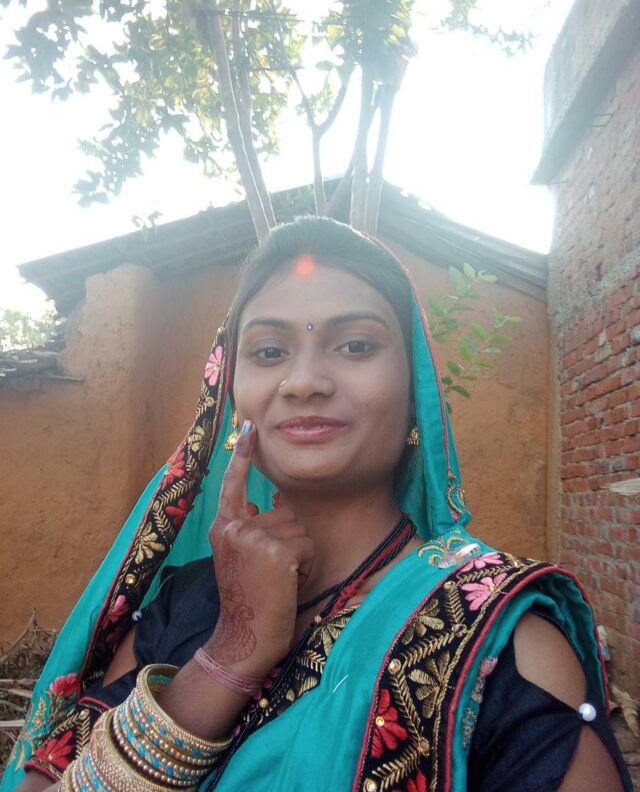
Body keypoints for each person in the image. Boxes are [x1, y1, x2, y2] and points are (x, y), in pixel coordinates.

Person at [3, 217, 631, 792]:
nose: (303, 381)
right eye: (269, 352)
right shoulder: (184, 605)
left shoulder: (497, 645)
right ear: (231, 395)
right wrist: (228, 657)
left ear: (415, 392)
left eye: (355, 346)